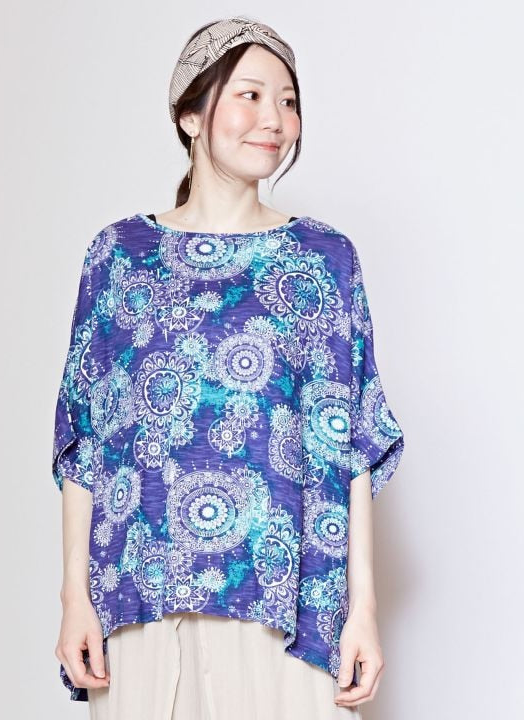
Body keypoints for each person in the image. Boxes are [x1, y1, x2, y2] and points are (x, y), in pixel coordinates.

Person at [51, 15, 405, 719]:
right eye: (251, 95)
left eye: (288, 101)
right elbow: (83, 442)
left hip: (288, 608)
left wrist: (362, 610)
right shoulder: (119, 256)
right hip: (142, 605)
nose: (275, 119)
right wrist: (74, 597)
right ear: (190, 114)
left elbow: (352, 440)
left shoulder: (323, 260)